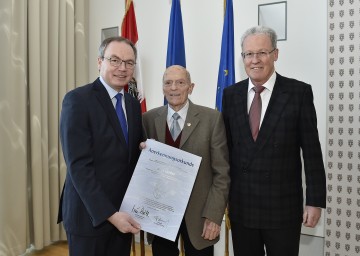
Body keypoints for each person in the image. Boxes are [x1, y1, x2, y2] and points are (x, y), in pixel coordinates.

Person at [222, 26, 326, 256]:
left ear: (275, 54)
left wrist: (314, 201)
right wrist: (223, 198)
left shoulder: (298, 93)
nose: (255, 60)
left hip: (283, 209)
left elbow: (312, 152)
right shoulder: (231, 95)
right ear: (242, 58)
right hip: (243, 207)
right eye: (249, 54)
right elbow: (226, 151)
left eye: (262, 53)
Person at [57, 36, 143, 256]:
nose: (122, 68)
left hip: (122, 215)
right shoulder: (77, 100)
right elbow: (79, 167)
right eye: (114, 60)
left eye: (129, 62)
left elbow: (129, 156)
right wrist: (111, 215)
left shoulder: (133, 104)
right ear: (99, 62)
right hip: (89, 216)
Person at [141, 65, 230, 256]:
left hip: (200, 219)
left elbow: (221, 173)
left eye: (180, 83)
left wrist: (214, 216)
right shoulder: (147, 120)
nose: (174, 88)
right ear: (163, 88)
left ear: (191, 87)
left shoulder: (211, 119)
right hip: (160, 217)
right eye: (168, 83)